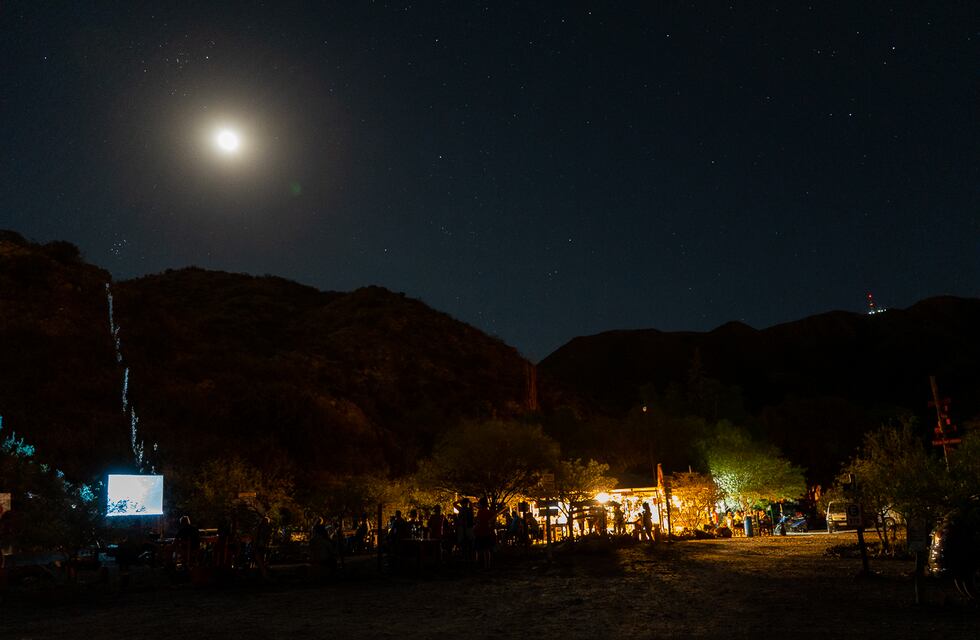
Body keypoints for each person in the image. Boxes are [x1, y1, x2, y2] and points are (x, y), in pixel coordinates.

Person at [473, 496, 495, 569]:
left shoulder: (480, 512)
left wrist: (475, 528)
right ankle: (487, 565)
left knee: (478, 549)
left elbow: (478, 522)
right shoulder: (490, 512)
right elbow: (492, 520)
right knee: (487, 550)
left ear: (481, 504)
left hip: (480, 532)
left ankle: (479, 565)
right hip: (488, 532)